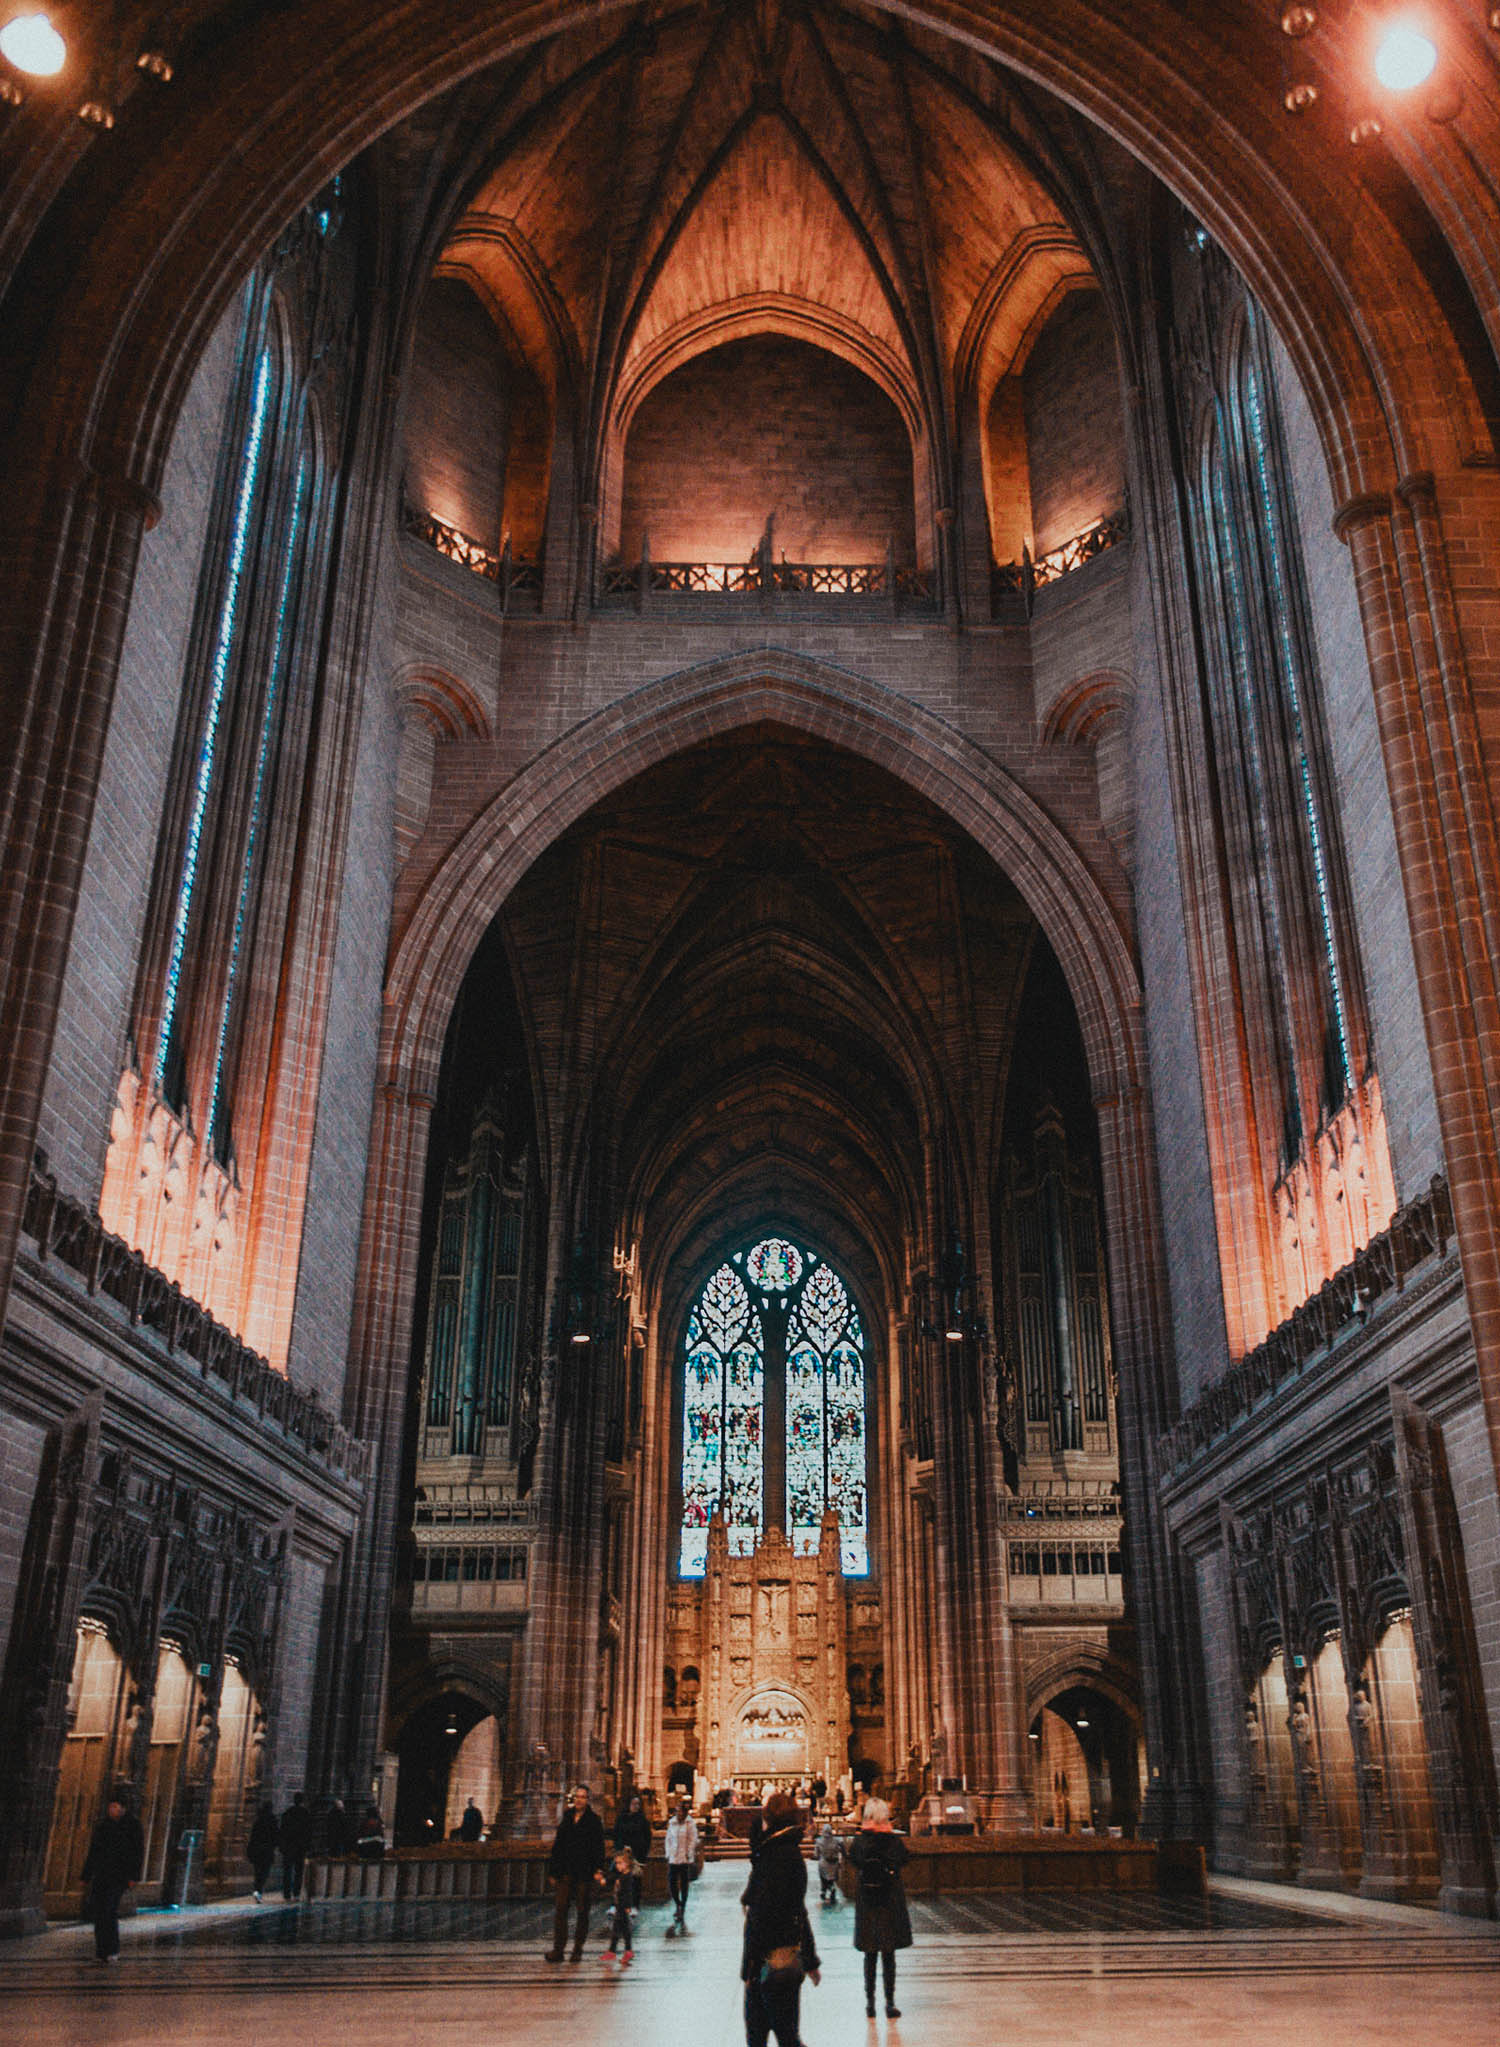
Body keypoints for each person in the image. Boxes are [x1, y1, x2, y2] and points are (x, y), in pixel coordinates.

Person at [740, 1788, 820, 2047]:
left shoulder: (774, 1856)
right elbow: (798, 1909)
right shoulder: (786, 1852)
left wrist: (750, 1964)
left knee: (773, 2035)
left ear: (770, 1819)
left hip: (770, 1958)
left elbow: (762, 1915)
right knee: (781, 2034)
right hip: (784, 1955)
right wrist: (809, 1958)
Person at [848, 1797, 911, 2019]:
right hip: (889, 1900)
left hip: (867, 1900)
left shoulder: (859, 1841)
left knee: (870, 1954)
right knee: (888, 1954)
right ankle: (890, 2002)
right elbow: (905, 1859)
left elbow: (853, 1859)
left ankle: (870, 2003)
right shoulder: (892, 1841)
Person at [546, 1781, 607, 1962]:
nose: (580, 1800)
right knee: (561, 1910)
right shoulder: (567, 1816)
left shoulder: (594, 1820)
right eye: (577, 1797)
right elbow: (558, 1845)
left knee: (582, 1911)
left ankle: (577, 1949)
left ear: (588, 1800)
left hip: (584, 1873)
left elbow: (599, 1848)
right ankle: (558, 1949)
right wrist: (553, 1871)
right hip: (565, 1871)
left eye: (583, 1797)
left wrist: (598, 1869)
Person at [81, 1792, 145, 1962]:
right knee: (98, 1911)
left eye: (115, 1807)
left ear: (123, 1808)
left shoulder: (132, 1826)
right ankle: (101, 1950)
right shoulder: (103, 1826)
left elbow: (137, 1852)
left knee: (109, 1910)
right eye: (110, 1807)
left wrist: (133, 1876)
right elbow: (94, 1852)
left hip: (119, 1876)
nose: (112, 1810)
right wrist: (86, 1875)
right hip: (102, 1874)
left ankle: (113, 1948)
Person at [664, 1795, 699, 1933]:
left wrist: (689, 1854)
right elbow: (668, 1839)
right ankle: (677, 1904)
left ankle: (682, 1907)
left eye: (681, 1812)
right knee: (672, 1883)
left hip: (684, 1858)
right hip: (673, 1857)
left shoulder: (690, 1824)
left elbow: (693, 1840)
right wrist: (668, 1853)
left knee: (684, 1884)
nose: (678, 1814)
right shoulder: (672, 1823)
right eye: (677, 1812)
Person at [603, 1845, 642, 1964]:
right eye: (616, 1863)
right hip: (620, 1906)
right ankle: (617, 1951)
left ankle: (619, 1951)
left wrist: (628, 1907)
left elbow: (628, 1893)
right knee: (622, 1930)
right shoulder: (622, 1875)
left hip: (622, 1907)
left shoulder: (627, 1877)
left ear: (627, 1863)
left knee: (620, 1930)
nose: (617, 1866)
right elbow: (613, 1879)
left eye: (620, 1863)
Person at [279, 1791, 313, 1901]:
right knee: (299, 1871)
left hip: (289, 1846)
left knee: (287, 1870)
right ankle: (296, 1893)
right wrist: (308, 1846)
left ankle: (286, 1894)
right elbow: (308, 1831)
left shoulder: (287, 1813)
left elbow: (282, 1830)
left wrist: (282, 1845)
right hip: (300, 1846)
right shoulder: (306, 1813)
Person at [247, 1800, 278, 1900]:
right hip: (267, 1850)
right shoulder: (272, 1820)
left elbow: (253, 1836)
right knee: (264, 1871)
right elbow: (275, 1835)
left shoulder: (258, 1820)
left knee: (258, 1871)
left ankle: (257, 1890)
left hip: (258, 1850)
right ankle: (258, 1890)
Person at [612, 1789, 652, 1864]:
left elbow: (647, 1837)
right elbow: (617, 1835)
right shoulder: (621, 1819)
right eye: (633, 1804)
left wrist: (640, 1850)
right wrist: (622, 1847)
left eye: (638, 1804)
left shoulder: (642, 1820)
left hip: (638, 1855)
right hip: (622, 1855)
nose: (636, 1806)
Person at [817, 1818, 843, 1905]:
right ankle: (831, 1887)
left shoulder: (819, 1841)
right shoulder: (836, 1840)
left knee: (823, 1877)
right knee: (832, 1878)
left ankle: (824, 1890)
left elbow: (816, 1854)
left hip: (824, 1862)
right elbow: (842, 1846)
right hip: (834, 1863)